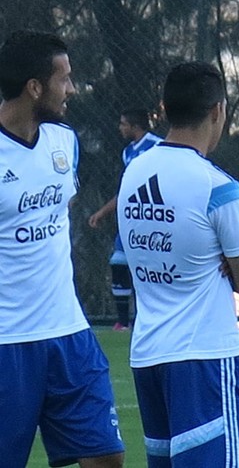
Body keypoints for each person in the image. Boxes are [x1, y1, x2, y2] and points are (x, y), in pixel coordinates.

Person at [117, 62, 239, 466]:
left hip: (148, 355)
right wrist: (228, 260)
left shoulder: (133, 173)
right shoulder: (217, 186)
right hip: (204, 356)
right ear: (218, 110)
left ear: (164, 108)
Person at [0, 30, 124, 467]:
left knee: (107, 457)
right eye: (64, 79)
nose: (71, 88)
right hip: (7, 343)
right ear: (34, 87)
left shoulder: (63, 142)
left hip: (68, 333)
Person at [89, 108, 162, 331]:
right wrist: (102, 212)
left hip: (154, 220)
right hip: (132, 220)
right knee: (118, 262)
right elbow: (125, 190)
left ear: (134, 125)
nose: (120, 128)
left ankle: (144, 318)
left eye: (123, 124)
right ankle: (123, 322)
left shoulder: (158, 146)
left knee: (146, 269)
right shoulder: (128, 152)